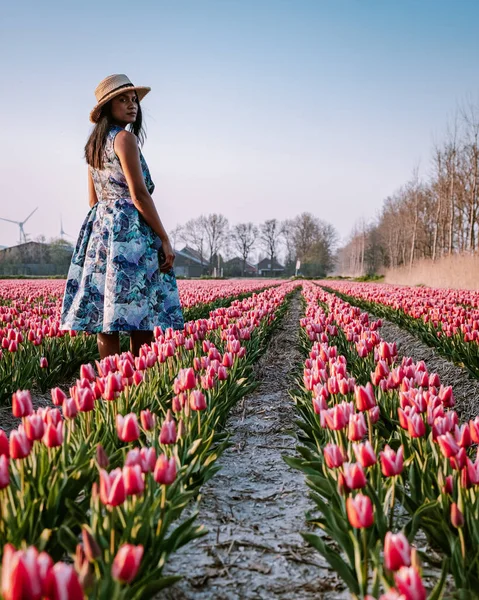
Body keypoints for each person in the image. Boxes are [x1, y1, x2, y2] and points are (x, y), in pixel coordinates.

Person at [60, 74, 184, 358]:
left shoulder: (93, 147)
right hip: (130, 233)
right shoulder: (125, 139)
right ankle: (139, 381)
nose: (132, 106)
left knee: (107, 313)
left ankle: (110, 382)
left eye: (133, 100)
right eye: (123, 100)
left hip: (100, 231)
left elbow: (93, 199)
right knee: (139, 312)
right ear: (107, 107)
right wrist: (164, 238)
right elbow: (139, 195)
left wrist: (106, 222)